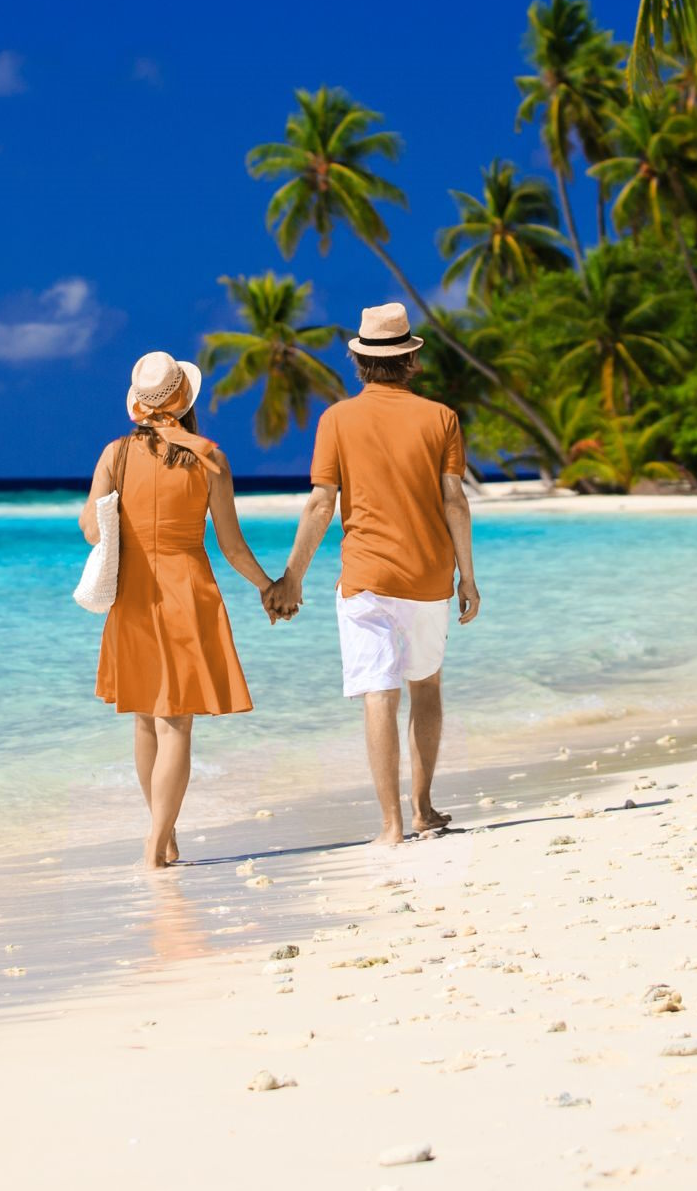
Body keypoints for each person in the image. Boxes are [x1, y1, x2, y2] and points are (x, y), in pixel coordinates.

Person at [264, 302, 480, 845]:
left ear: (359, 362)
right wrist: (468, 577)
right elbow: (455, 501)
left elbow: (320, 504)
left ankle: (390, 827)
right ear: (410, 360)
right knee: (424, 685)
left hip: (365, 579)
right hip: (430, 575)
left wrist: (291, 578)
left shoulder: (337, 419)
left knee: (378, 695)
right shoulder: (441, 418)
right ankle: (423, 808)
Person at [80, 350, 278, 870]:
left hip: (132, 595)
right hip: (187, 590)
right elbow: (231, 546)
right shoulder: (209, 456)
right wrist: (269, 586)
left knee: (146, 720)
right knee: (176, 725)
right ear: (186, 400)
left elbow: (91, 529)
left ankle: (162, 840)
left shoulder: (114, 455)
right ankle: (156, 846)